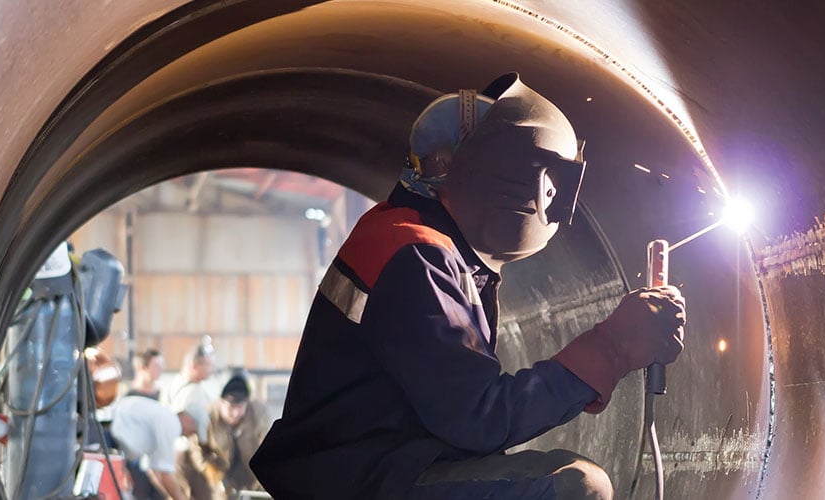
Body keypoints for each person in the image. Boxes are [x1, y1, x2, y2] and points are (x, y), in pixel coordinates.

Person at [250, 72, 687, 500]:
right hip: (364, 478)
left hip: (368, 468)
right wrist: (613, 346)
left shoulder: (411, 237)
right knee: (574, 485)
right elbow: (478, 419)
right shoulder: (414, 251)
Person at [110, 392, 199, 500]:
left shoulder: (163, 417)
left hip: (114, 440)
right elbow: (165, 474)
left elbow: (153, 471)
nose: (190, 435)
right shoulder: (171, 424)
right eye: (193, 430)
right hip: (109, 435)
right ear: (187, 419)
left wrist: (171, 496)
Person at [196, 374, 271, 498]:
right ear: (221, 402)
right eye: (231, 407)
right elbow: (197, 448)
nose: (235, 413)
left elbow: (268, 445)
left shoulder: (259, 413)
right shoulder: (207, 415)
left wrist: (264, 475)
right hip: (222, 474)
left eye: (240, 407)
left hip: (254, 473)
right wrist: (211, 472)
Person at [162, 342, 216, 499]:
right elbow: (186, 425)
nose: (211, 369)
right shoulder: (190, 392)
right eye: (208, 365)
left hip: (181, 455)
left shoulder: (173, 384)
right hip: (189, 455)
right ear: (194, 365)